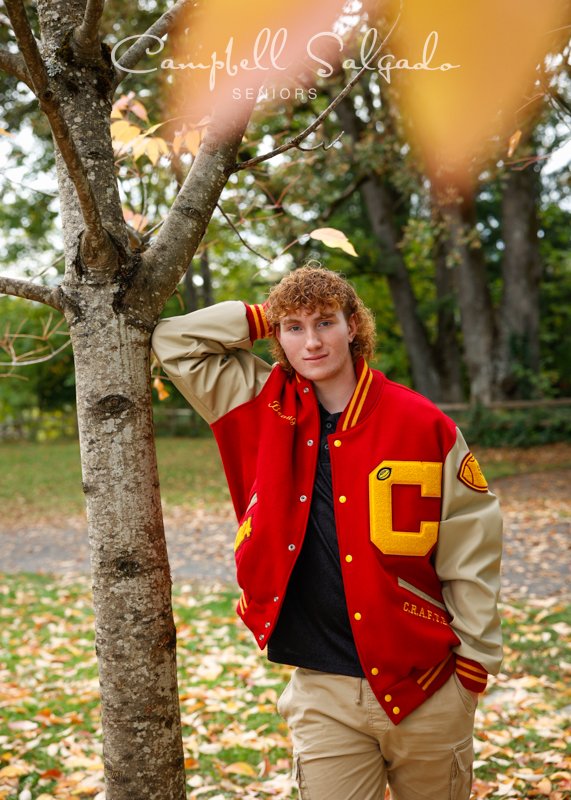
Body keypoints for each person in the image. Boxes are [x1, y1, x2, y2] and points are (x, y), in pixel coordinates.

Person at [151, 264, 503, 800]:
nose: (311, 341)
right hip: (322, 691)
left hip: (428, 685)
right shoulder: (253, 401)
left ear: (353, 325)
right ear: (276, 335)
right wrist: (265, 315)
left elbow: (472, 545)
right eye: (294, 327)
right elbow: (172, 341)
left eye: (325, 321)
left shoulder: (422, 423)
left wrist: (474, 664)